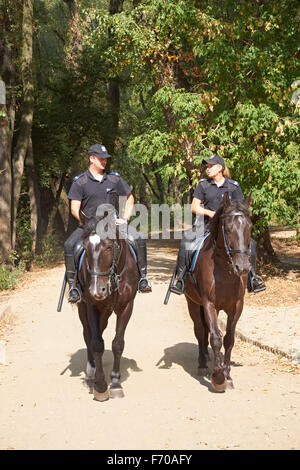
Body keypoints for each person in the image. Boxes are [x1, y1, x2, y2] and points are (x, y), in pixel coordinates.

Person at [64, 143, 152, 303]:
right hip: (88, 227)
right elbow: (74, 208)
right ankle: (74, 288)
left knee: (138, 239)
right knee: (70, 245)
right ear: (92, 158)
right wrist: (88, 222)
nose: (104, 161)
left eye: (105, 159)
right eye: (101, 158)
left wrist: (125, 218)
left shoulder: (114, 179)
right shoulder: (80, 182)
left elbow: (129, 197)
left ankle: (143, 279)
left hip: (113, 226)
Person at [169, 154, 266, 295]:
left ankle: (252, 279)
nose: (207, 168)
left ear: (220, 168)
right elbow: (194, 207)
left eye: (210, 165)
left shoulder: (233, 186)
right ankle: (181, 280)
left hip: (229, 227)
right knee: (186, 241)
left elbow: (240, 208)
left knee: (251, 244)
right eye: (207, 166)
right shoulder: (203, 184)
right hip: (206, 224)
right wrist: (210, 213)